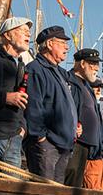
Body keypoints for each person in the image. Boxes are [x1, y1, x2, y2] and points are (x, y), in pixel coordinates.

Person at [23, 26, 78, 183]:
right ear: (49, 44)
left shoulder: (60, 73)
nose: (67, 47)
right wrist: (40, 138)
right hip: (47, 146)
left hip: (63, 145)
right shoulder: (36, 69)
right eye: (62, 42)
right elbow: (33, 106)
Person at [0, 16, 32, 168]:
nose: (28, 35)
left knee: (11, 189)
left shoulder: (20, 65)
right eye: (23, 31)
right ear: (7, 35)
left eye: (28, 32)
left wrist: (22, 129)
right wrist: (5, 98)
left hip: (14, 137)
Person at [64, 49, 102, 187]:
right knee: (70, 177)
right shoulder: (69, 81)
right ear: (82, 63)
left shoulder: (86, 85)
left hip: (85, 144)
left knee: (77, 184)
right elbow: (67, 108)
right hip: (74, 141)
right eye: (93, 63)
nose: (96, 68)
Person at [83, 79, 103, 191]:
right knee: (93, 191)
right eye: (95, 87)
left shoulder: (96, 111)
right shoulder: (87, 108)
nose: (98, 90)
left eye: (100, 88)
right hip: (94, 159)